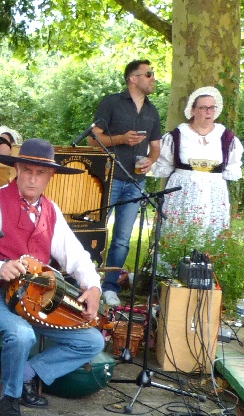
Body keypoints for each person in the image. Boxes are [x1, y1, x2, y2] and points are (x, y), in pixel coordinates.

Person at [0, 139, 105, 416]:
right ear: (17, 169)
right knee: (22, 334)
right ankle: (10, 398)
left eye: (40, 173)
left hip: (37, 298)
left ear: (50, 176)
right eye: (27, 171)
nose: (32, 179)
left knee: (91, 341)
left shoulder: (51, 210)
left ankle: (27, 373)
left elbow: (76, 256)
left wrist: (93, 287)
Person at [89, 59, 162, 307]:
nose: (153, 78)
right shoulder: (112, 102)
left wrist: (151, 160)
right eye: (148, 74)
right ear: (133, 78)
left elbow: (155, 147)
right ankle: (86, 282)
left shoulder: (152, 111)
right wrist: (121, 139)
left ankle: (110, 287)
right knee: (96, 233)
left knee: (122, 238)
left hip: (136, 182)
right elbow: (92, 139)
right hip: (108, 178)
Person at [149, 86, 244, 236]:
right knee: (178, 232)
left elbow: (231, 167)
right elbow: (164, 164)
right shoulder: (178, 136)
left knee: (210, 234)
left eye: (212, 108)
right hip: (182, 191)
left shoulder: (226, 138)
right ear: (192, 110)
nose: (209, 111)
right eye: (204, 107)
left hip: (213, 192)